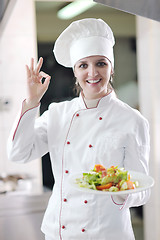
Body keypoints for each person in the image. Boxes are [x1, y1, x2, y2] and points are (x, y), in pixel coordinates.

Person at [7, 18, 150, 240]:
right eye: (83, 65)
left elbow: (143, 190)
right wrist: (31, 102)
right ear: (75, 71)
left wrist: (119, 190)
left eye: (101, 63)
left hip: (107, 235)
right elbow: (18, 153)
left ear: (111, 67)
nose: (92, 73)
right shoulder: (57, 114)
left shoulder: (132, 120)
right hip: (59, 233)